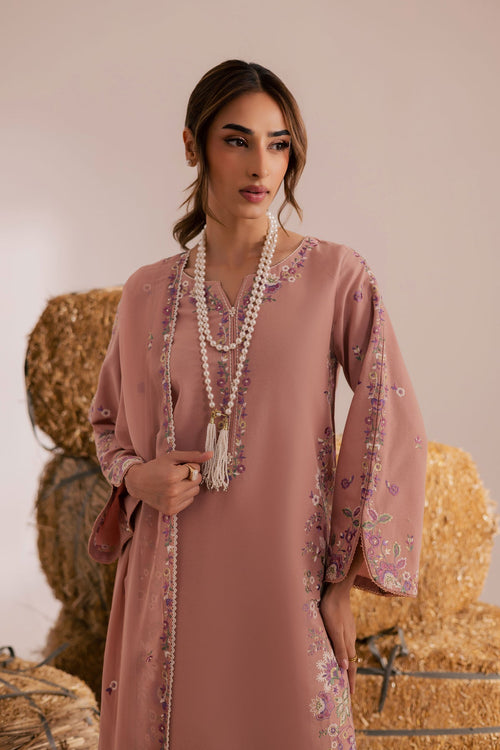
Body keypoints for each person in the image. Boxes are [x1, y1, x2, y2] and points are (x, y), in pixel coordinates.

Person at [89, 59, 427, 750]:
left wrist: (340, 583)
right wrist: (136, 476)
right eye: (237, 140)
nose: (261, 166)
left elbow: (388, 416)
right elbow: (106, 425)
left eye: (278, 144)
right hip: (171, 586)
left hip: (286, 583)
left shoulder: (336, 277)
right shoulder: (147, 292)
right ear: (194, 146)